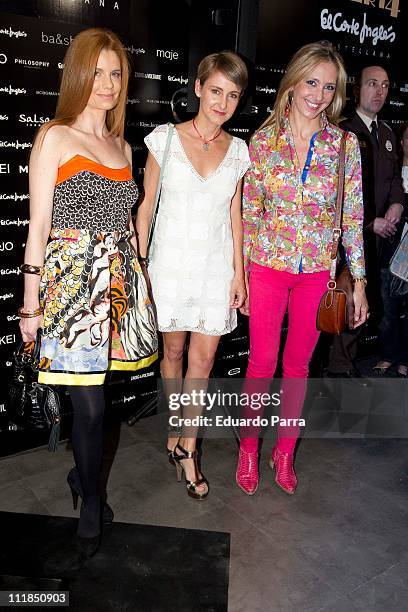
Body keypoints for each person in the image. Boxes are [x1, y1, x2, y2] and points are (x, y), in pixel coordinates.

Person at [19, 28, 157, 561]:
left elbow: (126, 226)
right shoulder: (54, 137)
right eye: (97, 72)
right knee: (92, 410)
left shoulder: (123, 146)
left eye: (115, 73)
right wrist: (30, 305)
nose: (107, 83)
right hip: (71, 292)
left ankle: (83, 477)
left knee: (100, 404)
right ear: (79, 75)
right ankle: (92, 499)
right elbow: (37, 227)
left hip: (116, 291)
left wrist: (139, 280)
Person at [236, 41, 368, 496]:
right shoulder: (262, 141)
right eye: (311, 82)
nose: (318, 95)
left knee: (299, 366)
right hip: (267, 266)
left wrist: (361, 285)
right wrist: (243, 276)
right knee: (261, 363)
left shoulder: (344, 145)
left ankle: (284, 452)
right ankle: (249, 448)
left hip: (316, 271)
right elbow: (249, 214)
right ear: (292, 82)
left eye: (329, 87)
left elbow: (352, 216)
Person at [136, 51, 250, 499]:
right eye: (216, 90)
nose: (222, 102)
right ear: (199, 88)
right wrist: (139, 265)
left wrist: (238, 276)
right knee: (174, 353)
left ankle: (188, 448)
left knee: (203, 361)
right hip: (169, 267)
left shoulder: (238, 151)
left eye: (233, 95)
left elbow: (236, 218)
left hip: (214, 268)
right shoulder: (163, 140)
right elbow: (145, 209)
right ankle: (174, 424)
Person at [327, 65, 405, 377]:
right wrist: (369, 221)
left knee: (366, 303)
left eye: (385, 85)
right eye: (372, 84)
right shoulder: (342, 132)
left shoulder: (386, 134)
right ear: (357, 89)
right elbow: (334, 192)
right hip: (351, 236)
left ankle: (346, 363)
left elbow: (395, 178)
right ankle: (338, 367)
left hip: (381, 239)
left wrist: (398, 203)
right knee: (345, 303)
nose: (379, 91)